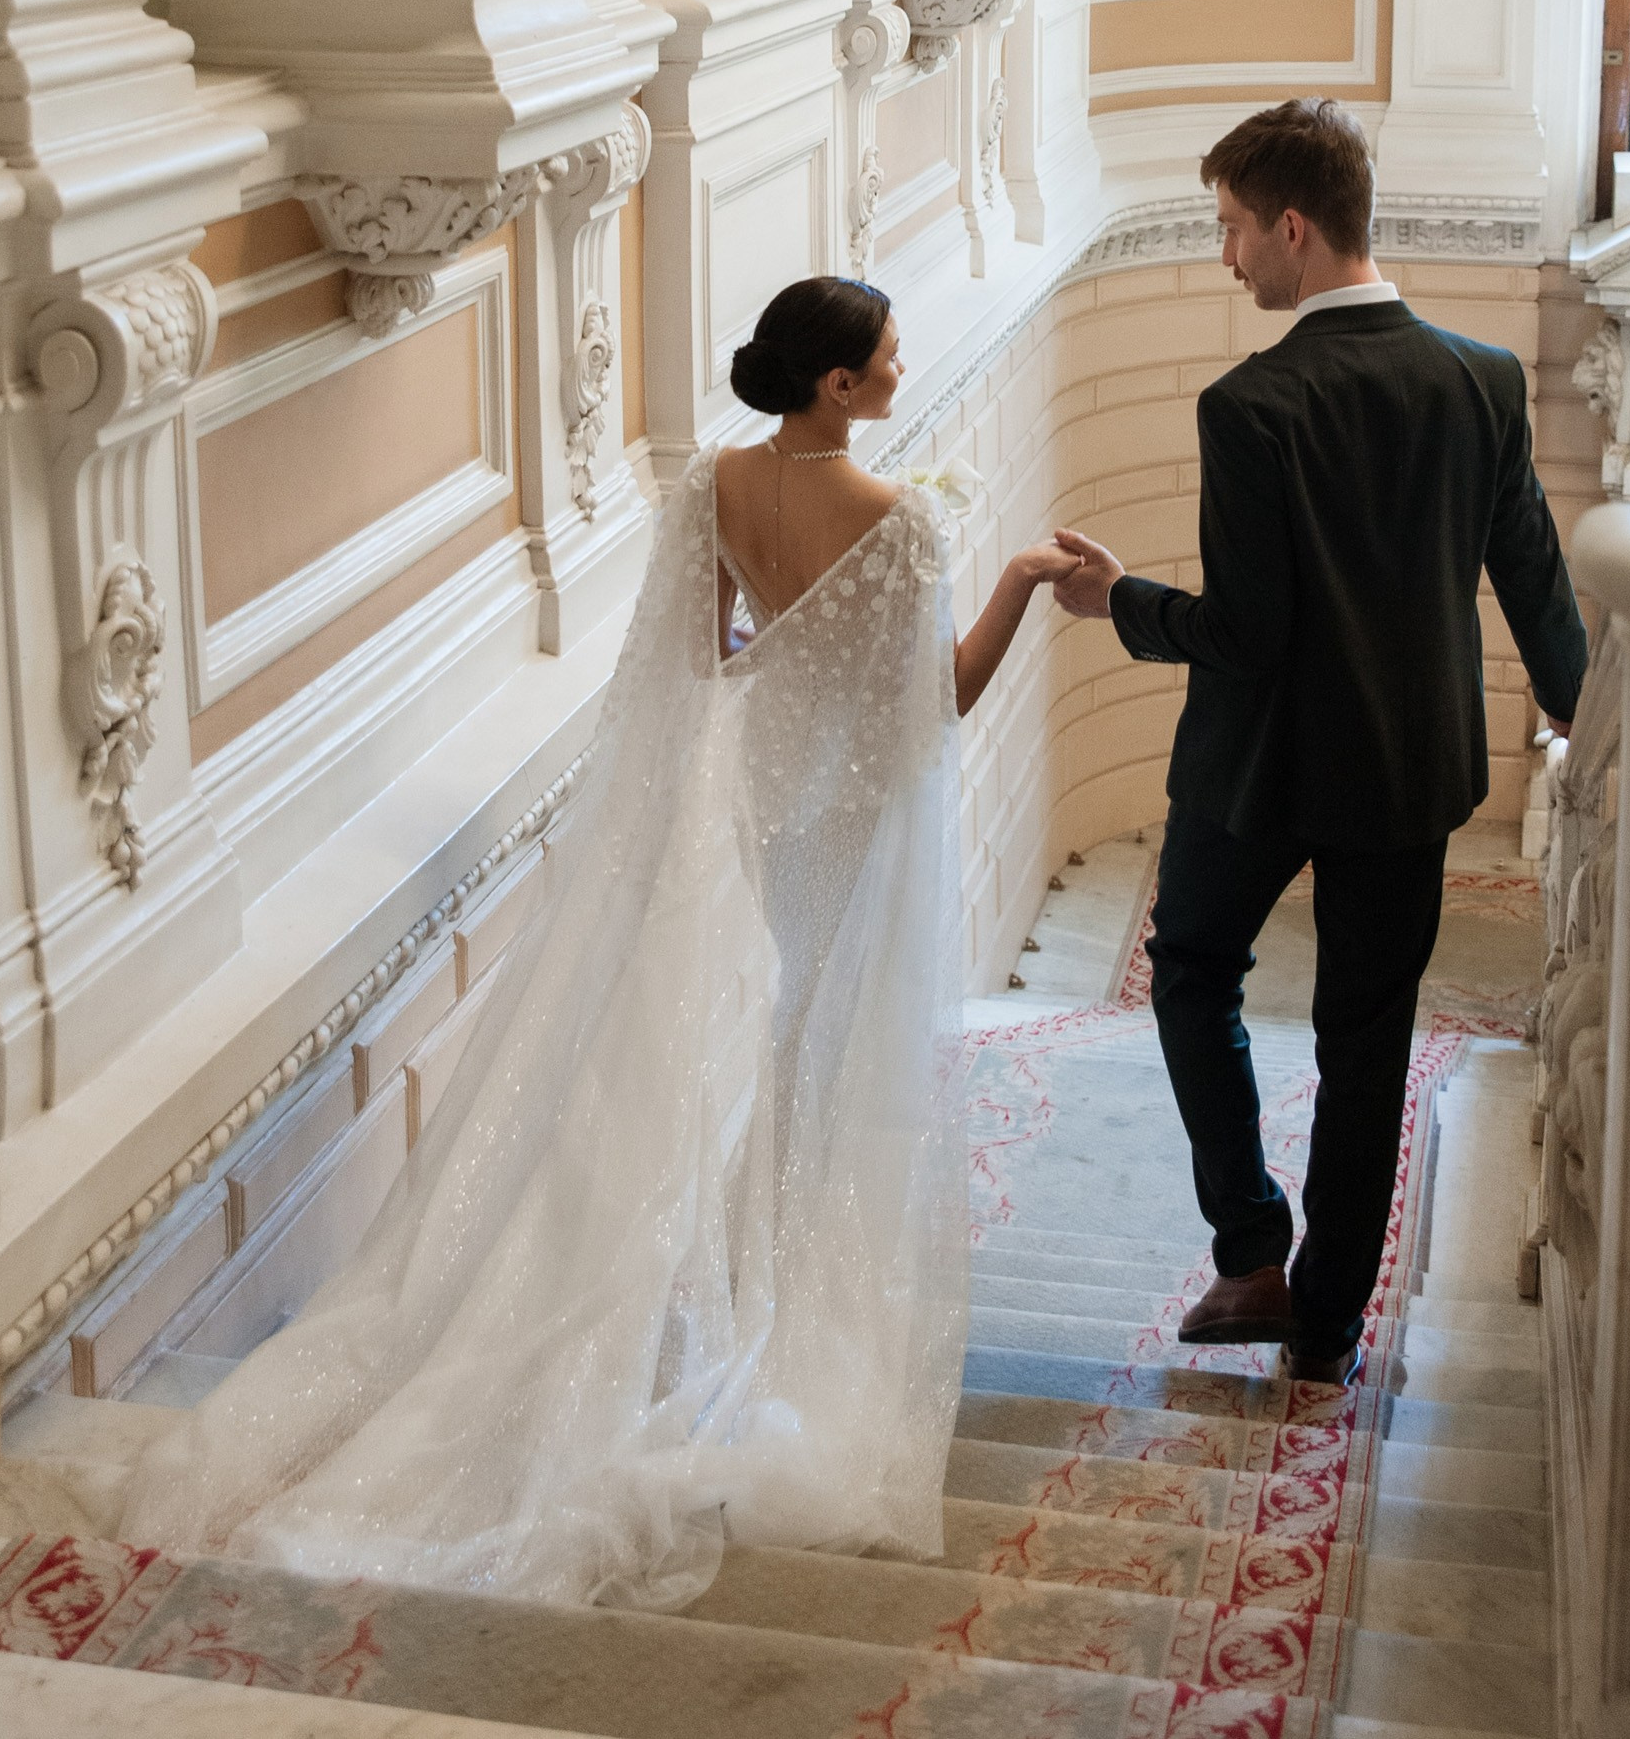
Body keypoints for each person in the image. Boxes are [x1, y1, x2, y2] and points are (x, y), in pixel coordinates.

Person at [121, 278, 1072, 1608]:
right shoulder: (903, 525)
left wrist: (786, 654)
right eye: (889, 358)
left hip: (765, 806)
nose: (905, 368)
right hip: (851, 818)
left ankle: (738, 1294)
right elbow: (939, 701)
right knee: (833, 1054)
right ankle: (791, 1321)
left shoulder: (721, 485)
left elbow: (703, 663)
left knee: (786, 1026)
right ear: (839, 385)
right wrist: (1023, 575)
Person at [1051, 99, 1587, 1383]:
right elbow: (1527, 563)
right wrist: (1577, 703)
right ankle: (1329, 1326)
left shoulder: (1251, 404)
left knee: (1188, 969)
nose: (1226, 256)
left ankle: (1250, 1248)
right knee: (1368, 1041)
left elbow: (1242, 633)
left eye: (1232, 230)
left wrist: (1115, 601)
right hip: (1406, 770)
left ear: (1293, 228)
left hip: (1256, 768)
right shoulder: (1481, 376)